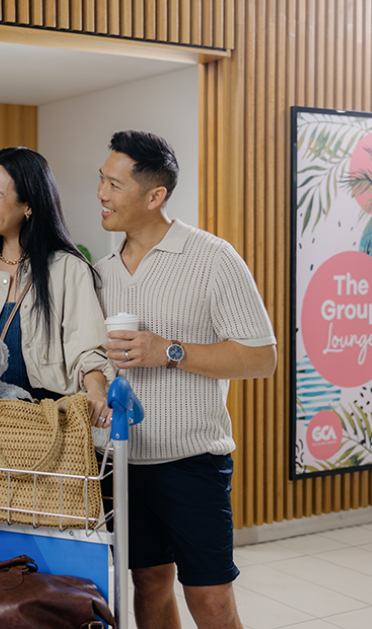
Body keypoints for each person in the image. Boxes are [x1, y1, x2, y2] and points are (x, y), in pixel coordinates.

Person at [94, 130, 277, 629]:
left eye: (114, 183)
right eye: (101, 180)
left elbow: (262, 357)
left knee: (210, 599)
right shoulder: (99, 271)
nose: (102, 194)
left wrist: (167, 350)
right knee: (147, 585)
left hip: (192, 461)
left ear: (155, 197)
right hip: (122, 459)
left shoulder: (213, 258)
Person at [0, 146, 116, 432]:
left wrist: (96, 391)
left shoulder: (69, 270)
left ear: (28, 206)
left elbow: (88, 350)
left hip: (53, 424)